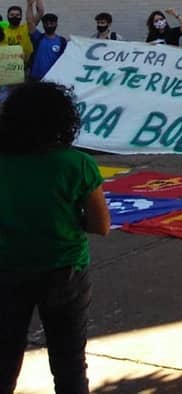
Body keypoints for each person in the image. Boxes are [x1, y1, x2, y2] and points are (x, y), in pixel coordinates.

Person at [0, 81, 110, 394]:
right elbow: (101, 225)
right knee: (69, 363)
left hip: (6, 268)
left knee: (4, 358)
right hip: (64, 269)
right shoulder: (77, 164)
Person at [5, 0, 43, 67]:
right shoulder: (2, 31)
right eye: (12, 15)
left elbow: (40, 12)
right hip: (6, 68)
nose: (14, 17)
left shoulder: (26, 28)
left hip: (24, 67)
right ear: (7, 16)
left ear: (21, 16)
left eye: (17, 15)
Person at [29, 14, 67, 82]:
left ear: (56, 24)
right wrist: (31, 7)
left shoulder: (62, 41)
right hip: (35, 78)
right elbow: (30, 22)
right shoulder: (38, 37)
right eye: (46, 24)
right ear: (43, 25)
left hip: (53, 79)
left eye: (51, 23)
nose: (49, 26)